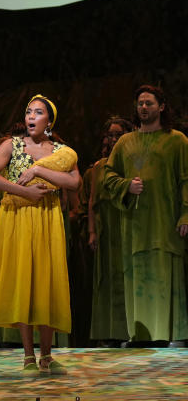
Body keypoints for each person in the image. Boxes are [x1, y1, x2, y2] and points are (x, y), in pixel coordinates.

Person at [0, 95, 80, 375]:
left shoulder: (61, 151)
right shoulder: (11, 145)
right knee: (24, 280)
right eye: (28, 112)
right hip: (19, 217)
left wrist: (38, 170)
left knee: (45, 282)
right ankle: (27, 356)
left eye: (38, 112)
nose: (31, 116)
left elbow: (74, 182)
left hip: (48, 218)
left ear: (49, 120)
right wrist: (24, 190)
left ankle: (47, 356)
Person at [102, 85, 188, 346]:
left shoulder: (177, 140)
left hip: (165, 223)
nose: (144, 108)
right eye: (140, 103)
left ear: (161, 106)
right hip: (136, 227)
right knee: (138, 277)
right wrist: (126, 186)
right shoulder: (126, 142)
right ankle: (141, 335)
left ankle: (173, 335)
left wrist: (185, 214)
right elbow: (107, 175)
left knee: (166, 275)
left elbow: (186, 179)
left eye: (149, 103)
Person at [88, 117, 133, 345]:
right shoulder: (99, 166)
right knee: (105, 279)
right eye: (110, 135)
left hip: (125, 224)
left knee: (125, 277)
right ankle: (107, 332)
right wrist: (92, 232)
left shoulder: (131, 162)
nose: (114, 139)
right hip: (106, 228)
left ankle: (128, 330)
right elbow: (92, 202)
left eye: (118, 134)